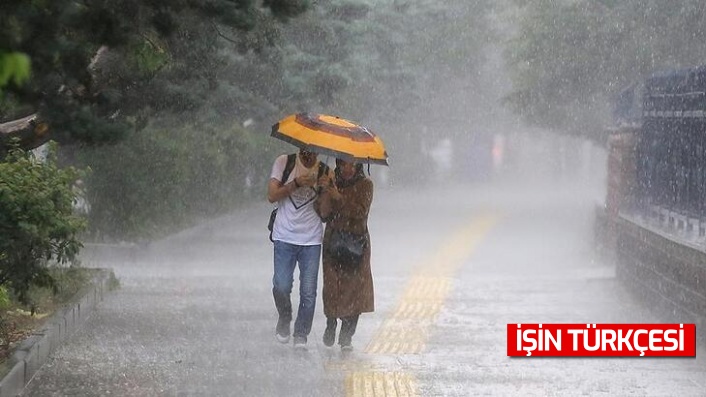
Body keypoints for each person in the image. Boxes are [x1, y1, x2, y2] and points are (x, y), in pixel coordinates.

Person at [267, 148, 332, 349]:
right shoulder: (284, 162)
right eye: (307, 151)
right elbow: (272, 195)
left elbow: (326, 213)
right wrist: (295, 183)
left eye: (314, 152)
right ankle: (285, 316)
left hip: (311, 239)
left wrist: (326, 190)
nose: (310, 156)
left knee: (308, 291)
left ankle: (301, 333)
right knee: (281, 285)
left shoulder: (325, 171)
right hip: (284, 236)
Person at [315, 158, 374, 351]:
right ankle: (331, 322)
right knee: (332, 286)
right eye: (344, 164)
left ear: (358, 166)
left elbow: (359, 211)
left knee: (355, 291)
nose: (348, 168)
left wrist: (338, 196)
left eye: (352, 164)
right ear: (338, 164)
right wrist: (324, 191)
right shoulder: (331, 180)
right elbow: (323, 214)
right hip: (333, 242)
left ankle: (347, 334)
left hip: (356, 243)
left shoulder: (366, 184)